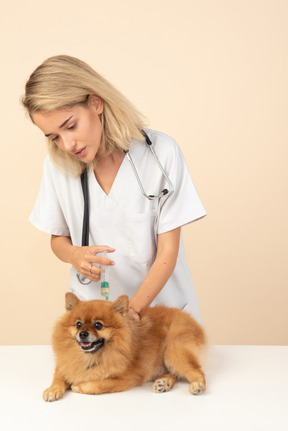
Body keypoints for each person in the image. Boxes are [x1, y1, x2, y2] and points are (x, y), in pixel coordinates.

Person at [23, 55, 206, 322]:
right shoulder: (56, 166)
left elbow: (168, 251)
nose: (67, 145)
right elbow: (58, 239)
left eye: (71, 126)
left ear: (96, 103)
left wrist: (130, 313)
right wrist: (74, 254)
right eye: (54, 137)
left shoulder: (161, 154)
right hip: (95, 321)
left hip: (160, 314)